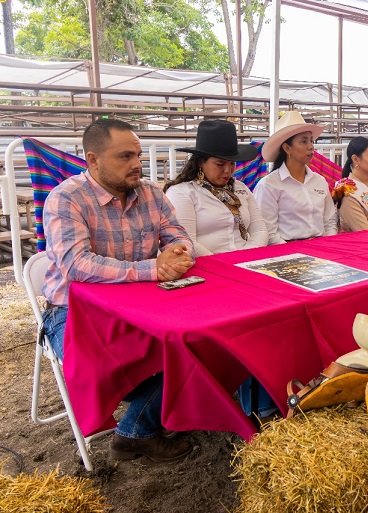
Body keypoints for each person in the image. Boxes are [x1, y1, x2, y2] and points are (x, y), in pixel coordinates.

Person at [42, 119, 194, 462]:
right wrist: (153, 268)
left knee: (198, 343)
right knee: (112, 366)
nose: (137, 163)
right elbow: (76, 265)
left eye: (138, 155)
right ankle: (144, 421)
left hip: (141, 303)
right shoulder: (66, 198)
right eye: (125, 156)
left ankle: (135, 431)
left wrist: (177, 253)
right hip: (74, 311)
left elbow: (179, 236)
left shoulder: (151, 193)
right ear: (93, 160)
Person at [164, 119, 268, 255]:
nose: (228, 170)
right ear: (200, 162)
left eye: (232, 163)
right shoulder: (181, 193)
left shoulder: (240, 188)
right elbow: (187, 241)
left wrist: (247, 256)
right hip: (206, 263)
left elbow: (260, 229)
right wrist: (224, 263)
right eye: (220, 164)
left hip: (246, 259)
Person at [255, 111, 338, 244]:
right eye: (303, 141)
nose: (311, 147)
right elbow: (268, 232)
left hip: (321, 246)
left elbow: (329, 222)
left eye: (311, 141)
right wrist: (293, 251)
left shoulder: (319, 181)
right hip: (287, 250)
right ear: (287, 148)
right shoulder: (269, 185)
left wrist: (328, 244)